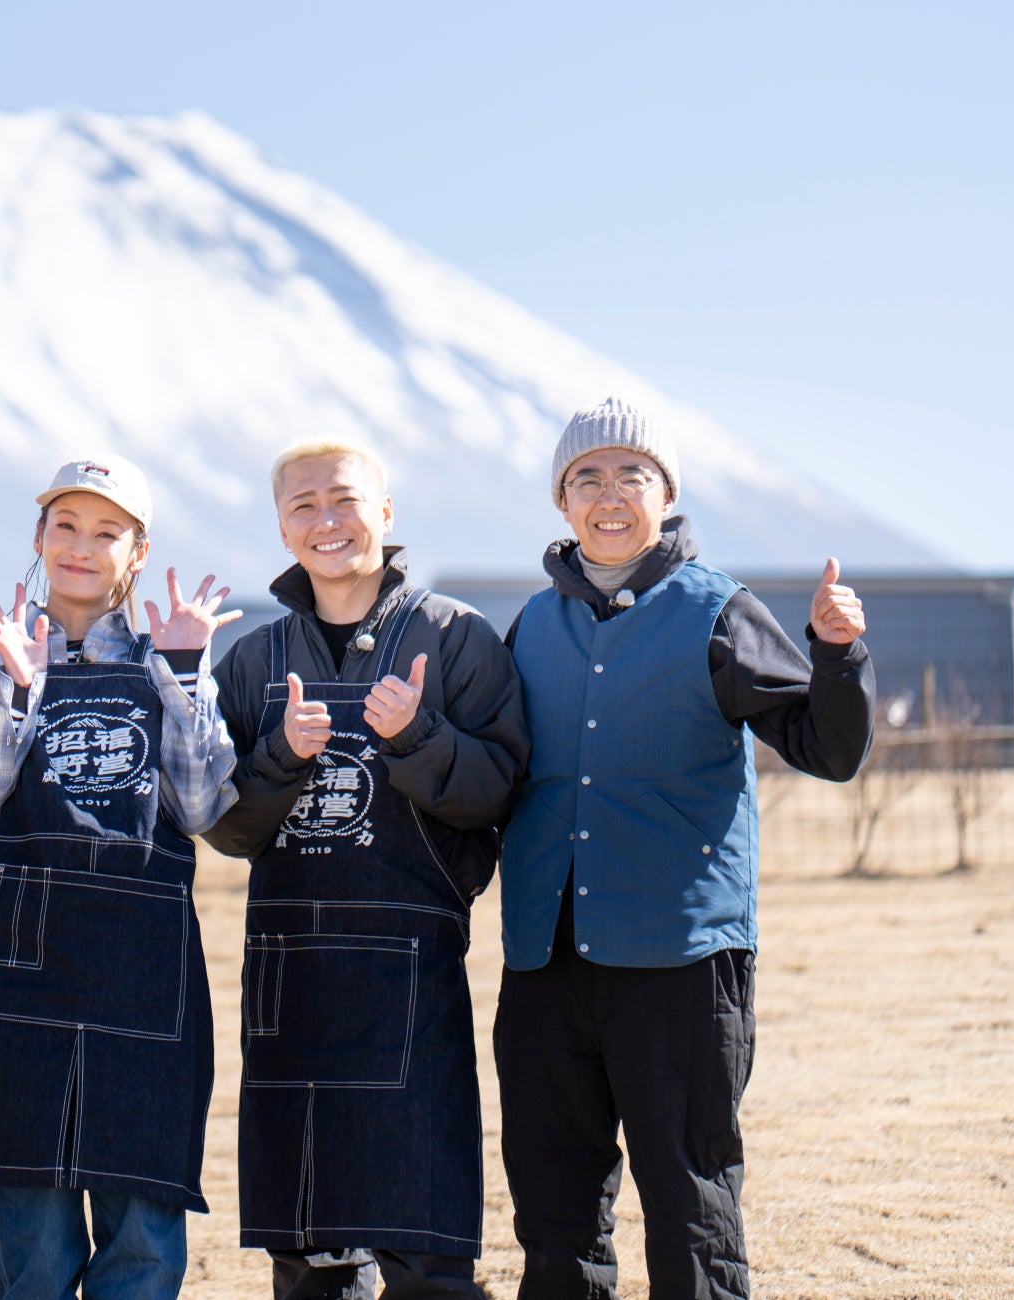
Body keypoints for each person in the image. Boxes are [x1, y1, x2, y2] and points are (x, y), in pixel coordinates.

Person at [494, 397, 873, 1299]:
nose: (610, 493)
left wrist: (837, 654)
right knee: (552, 1217)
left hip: (681, 962)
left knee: (688, 1206)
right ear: (562, 502)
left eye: (634, 474)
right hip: (544, 962)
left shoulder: (719, 612)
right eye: (587, 476)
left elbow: (829, 748)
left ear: (667, 494)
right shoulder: (529, 628)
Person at [205, 439, 529, 1300]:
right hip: (290, 985)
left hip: (410, 980)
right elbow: (228, 827)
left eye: (344, 500)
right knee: (309, 1259)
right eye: (303, 505)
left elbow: (497, 791)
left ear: (385, 515)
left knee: (425, 1254)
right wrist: (280, 755)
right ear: (282, 528)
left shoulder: (456, 638)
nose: (326, 520)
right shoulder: (251, 661)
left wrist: (419, 738)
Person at [0, 456, 240, 1299]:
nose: (81, 546)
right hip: (17, 970)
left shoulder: (169, 658)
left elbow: (204, 804)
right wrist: (17, 697)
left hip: (143, 971)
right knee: (31, 1240)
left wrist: (181, 676)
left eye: (108, 532)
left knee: (144, 1236)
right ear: (38, 536)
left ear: (137, 555)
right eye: (65, 525)